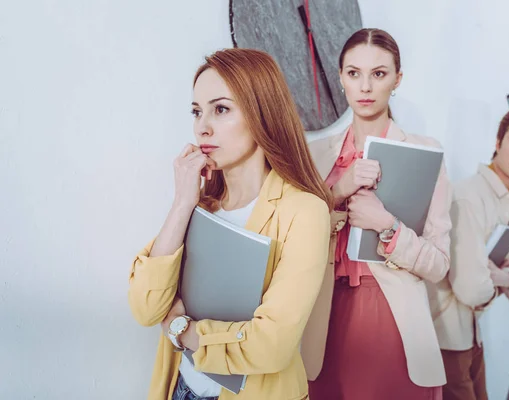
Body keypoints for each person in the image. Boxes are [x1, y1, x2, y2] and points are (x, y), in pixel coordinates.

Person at [128, 48, 332, 400]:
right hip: (181, 388)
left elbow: (272, 345)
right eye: (197, 111)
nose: (202, 126)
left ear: (260, 113)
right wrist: (181, 203)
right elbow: (145, 308)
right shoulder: (199, 205)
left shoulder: (305, 211)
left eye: (220, 109)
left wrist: (182, 330)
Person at [302, 28, 450, 399]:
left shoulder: (425, 153)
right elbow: (293, 241)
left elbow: (439, 265)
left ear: (397, 80)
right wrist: (338, 192)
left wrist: (387, 226)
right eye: (354, 73)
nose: (365, 86)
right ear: (341, 79)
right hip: (321, 316)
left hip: (394, 320)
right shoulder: (315, 155)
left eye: (379, 74)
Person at [427, 105, 509, 400]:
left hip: (472, 335)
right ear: (497, 144)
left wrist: (501, 277)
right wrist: (505, 280)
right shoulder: (470, 197)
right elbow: (471, 290)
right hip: (445, 335)